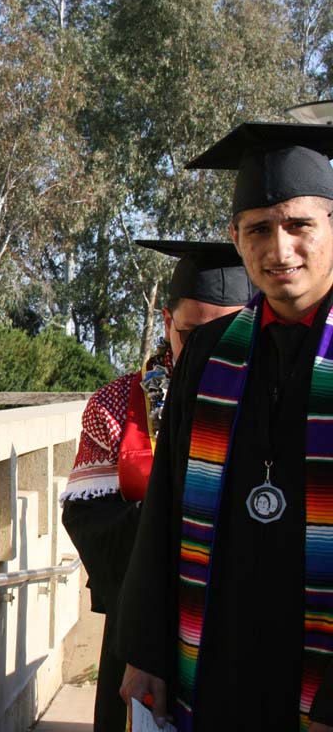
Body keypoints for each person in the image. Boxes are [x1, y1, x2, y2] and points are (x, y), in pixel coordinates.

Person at [116, 121, 333, 731]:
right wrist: (147, 648)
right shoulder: (211, 353)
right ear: (236, 240)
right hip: (217, 652)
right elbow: (165, 506)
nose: (279, 249)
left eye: (299, 226)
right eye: (258, 229)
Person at [60, 239, 251, 732]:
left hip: (242, 621)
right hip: (144, 623)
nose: (207, 350)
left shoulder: (269, 395)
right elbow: (89, 519)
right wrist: (178, 523)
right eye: (192, 333)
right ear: (167, 321)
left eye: (228, 333)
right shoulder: (118, 401)